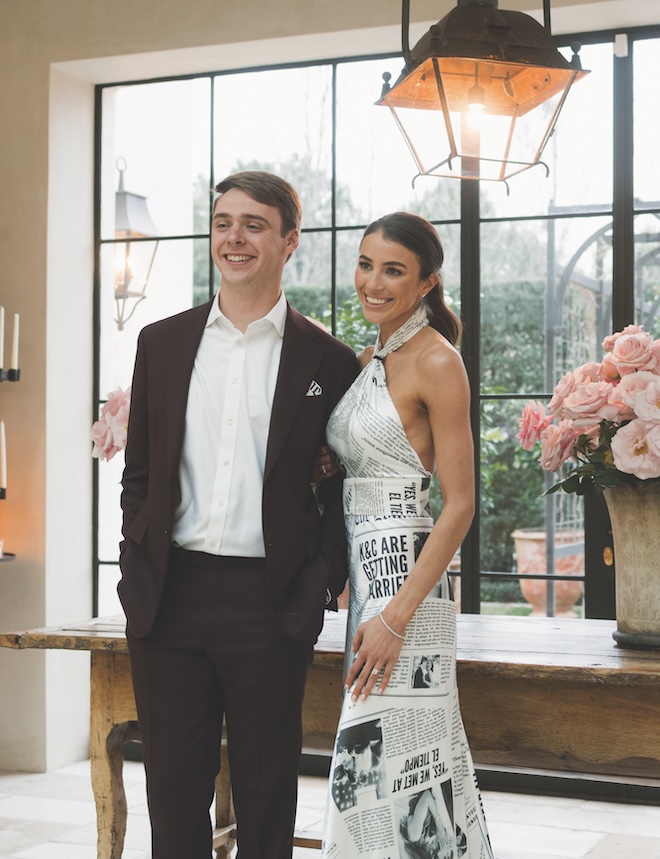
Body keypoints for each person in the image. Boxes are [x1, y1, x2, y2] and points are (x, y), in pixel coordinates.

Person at [118, 170, 358, 859]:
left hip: (270, 601)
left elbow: (341, 489)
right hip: (168, 596)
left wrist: (318, 581)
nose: (235, 237)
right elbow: (140, 473)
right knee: (172, 801)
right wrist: (136, 560)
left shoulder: (329, 360)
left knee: (266, 799)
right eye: (224, 222)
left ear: (289, 242)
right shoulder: (161, 345)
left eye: (255, 224)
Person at [321, 212, 493, 857]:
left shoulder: (437, 360)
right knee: (382, 774)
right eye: (366, 264)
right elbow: (361, 455)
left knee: (387, 764)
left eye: (393, 270)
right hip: (366, 577)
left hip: (405, 583)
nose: (373, 281)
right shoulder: (372, 356)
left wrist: (396, 617)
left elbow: (461, 505)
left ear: (426, 283)